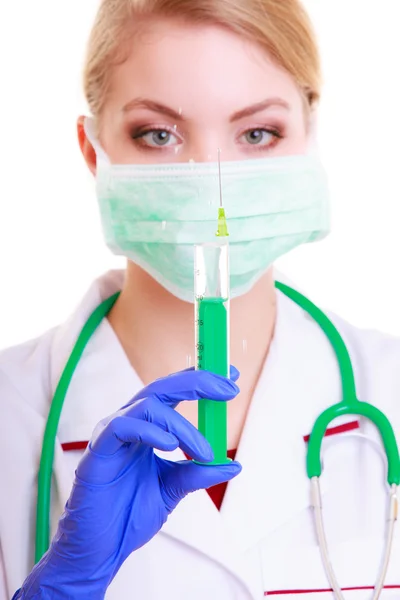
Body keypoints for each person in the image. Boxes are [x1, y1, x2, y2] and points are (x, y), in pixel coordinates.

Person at [1, 0, 400, 598]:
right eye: (158, 134)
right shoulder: (12, 411)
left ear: (309, 135)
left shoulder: (389, 386)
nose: (211, 175)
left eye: (257, 133)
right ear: (93, 152)